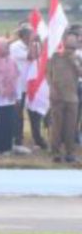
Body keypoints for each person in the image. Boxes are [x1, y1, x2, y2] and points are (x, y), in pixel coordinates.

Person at [47, 31, 82, 163]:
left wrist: (74, 62)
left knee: (70, 126)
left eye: (75, 40)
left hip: (72, 97)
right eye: (70, 40)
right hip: (57, 96)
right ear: (64, 41)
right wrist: (52, 89)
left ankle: (70, 153)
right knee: (57, 126)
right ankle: (55, 152)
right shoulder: (55, 57)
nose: (73, 43)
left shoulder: (77, 58)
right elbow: (49, 74)